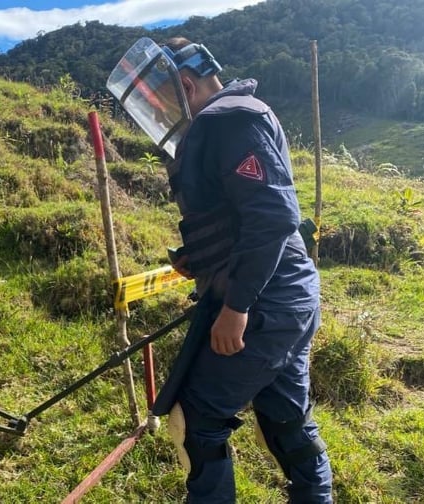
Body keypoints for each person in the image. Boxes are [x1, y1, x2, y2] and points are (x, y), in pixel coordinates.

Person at [107, 37, 333, 502]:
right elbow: (241, 217)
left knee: (197, 421)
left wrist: (236, 306)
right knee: (285, 417)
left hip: (265, 306)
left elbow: (272, 219)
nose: (164, 117)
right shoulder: (234, 118)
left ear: (185, 85)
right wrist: (203, 258)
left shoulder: (228, 121)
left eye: (162, 104)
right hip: (288, 299)